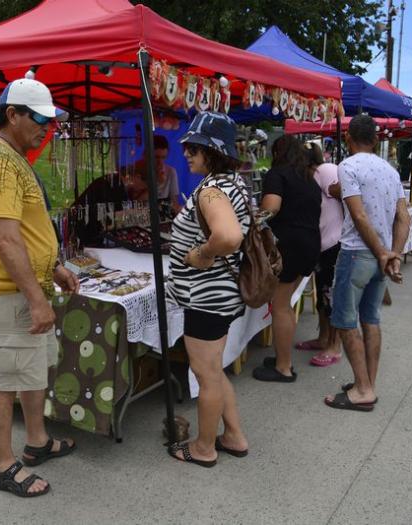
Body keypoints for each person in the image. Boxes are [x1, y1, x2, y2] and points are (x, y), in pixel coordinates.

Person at [0, 77, 80, 498]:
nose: (45, 129)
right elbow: (6, 239)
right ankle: (2, 465)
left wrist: (55, 268)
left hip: (24, 291)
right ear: (11, 115)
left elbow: (28, 233)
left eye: (49, 122)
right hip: (10, 295)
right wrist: (36, 299)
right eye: (39, 120)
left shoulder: (13, 158)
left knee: (30, 373)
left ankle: (36, 441)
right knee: (6, 381)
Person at [166, 111, 251, 467]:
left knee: (206, 374)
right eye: (187, 146)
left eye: (195, 147)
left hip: (207, 297)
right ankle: (233, 435)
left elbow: (229, 236)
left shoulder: (213, 190)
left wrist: (201, 254)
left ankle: (203, 447)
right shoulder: (232, 183)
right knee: (213, 370)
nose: (186, 152)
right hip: (219, 295)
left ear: (213, 151)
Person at [324, 114, 410, 412]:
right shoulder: (390, 170)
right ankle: (367, 383)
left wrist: (384, 253)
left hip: (357, 253)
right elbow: (404, 217)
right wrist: (392, 254)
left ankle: (363, 390)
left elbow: (358, 216)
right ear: (375, 140)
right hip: (380, 255)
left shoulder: (347, 166)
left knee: (346, 322)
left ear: (348, 138)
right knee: (371, 318)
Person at [252, 135, 322, 382]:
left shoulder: (277, 174)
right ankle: (283, 357)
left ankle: (283, 367)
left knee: (280, 306)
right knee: (286, 304)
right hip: (310, 245)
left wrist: (254, 218)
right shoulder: (309, 179)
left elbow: (272, 206)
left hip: (289, 246)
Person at [294, 142, 345, 367]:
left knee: (331, 297)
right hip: (322, 245)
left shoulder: (324, 171)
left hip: (335, 244)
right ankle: (324, 338)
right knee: (323, 298)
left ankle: (334, 347)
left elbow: (345, 191)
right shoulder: (309, 177)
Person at [128, 135, 182, 215]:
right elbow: (137, 203)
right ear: (146, 155)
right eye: (156, 157)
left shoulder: (170, 172)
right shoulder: (135, 170)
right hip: (140, 217)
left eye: (163, 157)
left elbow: (174, 203)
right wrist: (156, 183)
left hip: (161, 216)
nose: (160, 162)